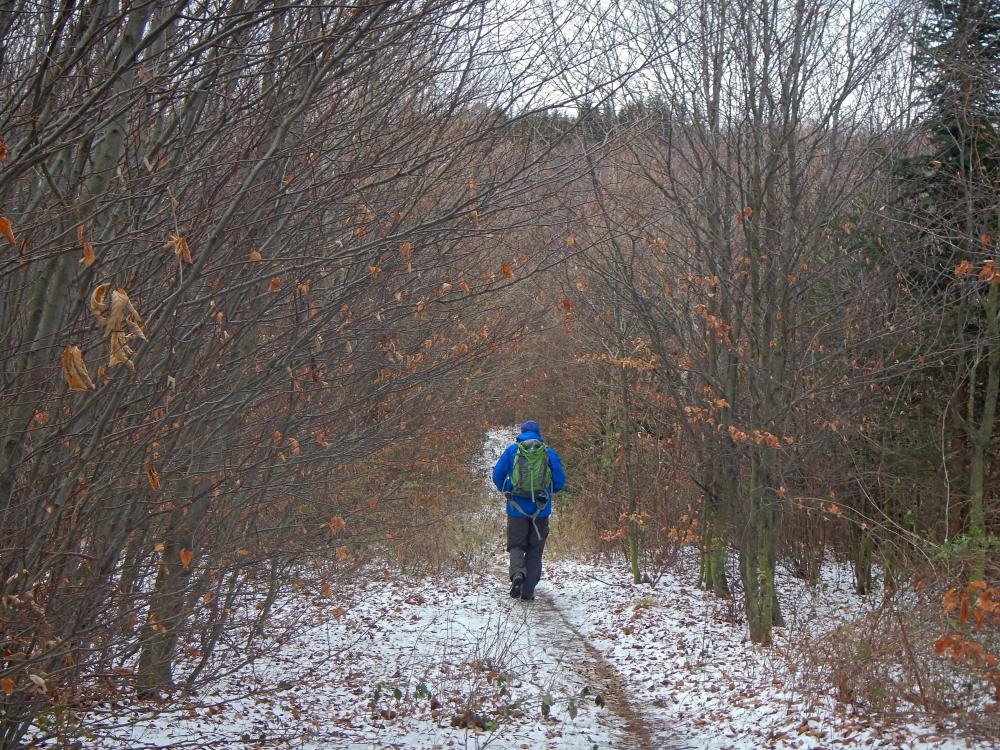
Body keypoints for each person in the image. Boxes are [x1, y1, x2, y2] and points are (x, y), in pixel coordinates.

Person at [491, 420, 565, 601]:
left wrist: (507, 489)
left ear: (521, 432)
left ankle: (517, 574)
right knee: (535, 550)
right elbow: (559, 481)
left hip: (516, 510)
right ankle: (528, 592)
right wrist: (548, 492)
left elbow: (497, 475)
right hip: (541, 510)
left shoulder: (512, 450)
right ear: (539, 433)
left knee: (516, 545)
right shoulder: (547, 452)